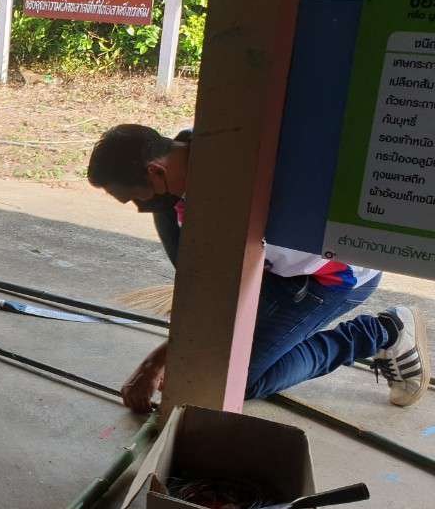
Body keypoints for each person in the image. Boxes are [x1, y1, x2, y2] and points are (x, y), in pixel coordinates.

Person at [87, 124, 430, 412]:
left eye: (136, 197)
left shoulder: (229, 203)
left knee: (237, 382)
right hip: (274, 271)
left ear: (156, 171)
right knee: (211, 363)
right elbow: (203, 280)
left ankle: (384, 331)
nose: (139, 207)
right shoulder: (201, 145)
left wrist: (155, 362)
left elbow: (222, 297)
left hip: (331, 278)